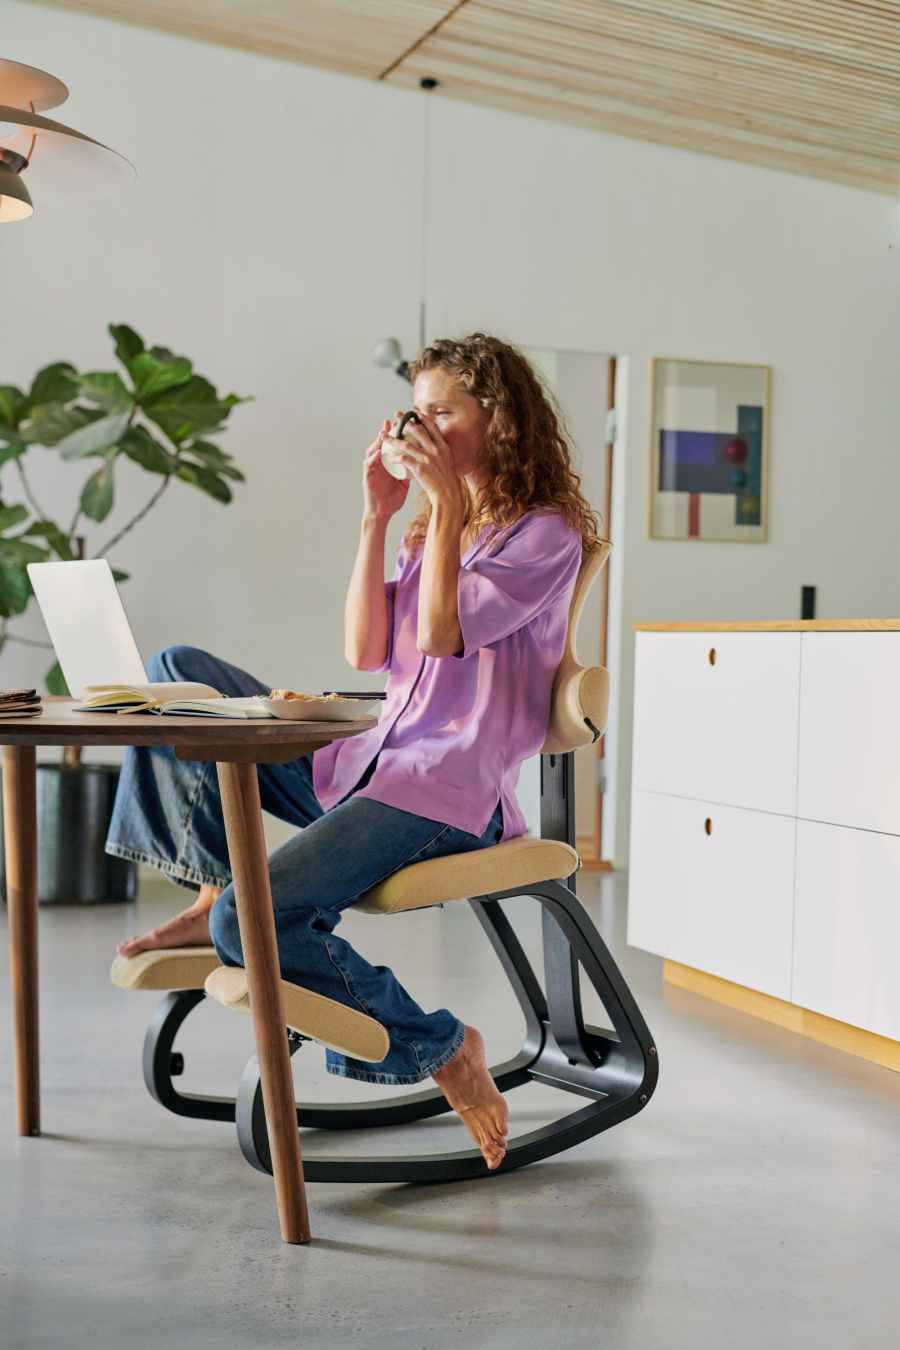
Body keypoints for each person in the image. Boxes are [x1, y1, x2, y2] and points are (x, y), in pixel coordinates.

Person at [108, 333, 601, 1170]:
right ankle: (211, 880)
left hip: (445, 796)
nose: (424, 428)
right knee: (176, 671)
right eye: (418, 412)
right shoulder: (428, 529)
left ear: (500, 417)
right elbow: (366, 650)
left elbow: (442, 635)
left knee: (250, 924)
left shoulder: (543, 534)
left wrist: (445, 508)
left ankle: (442, 1045)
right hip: (365, 766)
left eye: (444, 412)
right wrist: (376, 515)